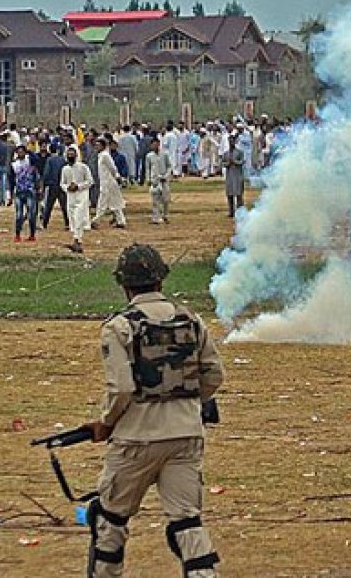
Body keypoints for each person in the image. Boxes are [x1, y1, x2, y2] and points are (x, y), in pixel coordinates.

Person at [82, 244, 224, 578]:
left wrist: (105, 424)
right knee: (187, 523)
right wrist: (186, 403)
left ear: (125, 286)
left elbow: (122, 389)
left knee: (111, 519)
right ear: (160, 281)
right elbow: (214, 376)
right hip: (186, 435)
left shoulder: (118, 328)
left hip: (136, 439)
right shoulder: (191, 320)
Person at [61, 146, 94, 254]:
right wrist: (68, 188)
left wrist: (78, 186)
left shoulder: (83, 167)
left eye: (72, 154)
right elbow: (62, 183)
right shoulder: (65, 169)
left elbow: (90, 181)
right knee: (73, 220)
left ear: (76, 155)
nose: (70, 156)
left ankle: (77, 240)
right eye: (68, 154)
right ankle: (77, 240)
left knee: (79, 217)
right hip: (70, 197)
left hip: (82, 196)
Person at [93, 138, 127, 229]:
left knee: (102, 202)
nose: (97, 147)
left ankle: (96, 220)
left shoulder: (105, 155)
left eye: (99, 145)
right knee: (115, 202)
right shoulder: (101, 155)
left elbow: (113, 168)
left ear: (103, 146)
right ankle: (121, 221)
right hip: (106, 182)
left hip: (109, 182)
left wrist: (117, 177)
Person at [12, 145, 39, 242]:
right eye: (18, 152)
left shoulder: (30, 161)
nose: (20, 153)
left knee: (31, 215)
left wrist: (29, 152)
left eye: (22, 152)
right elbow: (11, 179)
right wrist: (11, 192)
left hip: (30, 191)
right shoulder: (14, 164)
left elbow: (37, 160)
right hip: (19, 192)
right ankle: (17, 234)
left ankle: (32, 234)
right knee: (19, 215)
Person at [40, 144, 69, 230]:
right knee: (64, 205)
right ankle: (67, 223)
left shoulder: (50, 160)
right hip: (61, 185)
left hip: (52, 185)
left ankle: (45, 224)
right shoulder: (63, 160)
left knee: (49, 206)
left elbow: (46, 172)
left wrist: (44, 184)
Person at [224, 124, 249, 217]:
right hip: (229, 176)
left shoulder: (239, 152)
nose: (231, 142)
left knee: (238, 194)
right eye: (230, 141)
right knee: (229, 194)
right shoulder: (226, 153)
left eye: (232, 141)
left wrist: (235, 162)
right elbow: (223, 163)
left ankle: (240, 212)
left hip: (238, 175)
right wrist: (228, 164)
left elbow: (242, 161)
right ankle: (231, 211)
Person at [145, 138, 171, 224]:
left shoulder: (165, 154)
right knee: (155, 200)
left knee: (166, 199)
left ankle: (165, 215)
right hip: (155, 180)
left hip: (164, 180)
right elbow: (147, 168)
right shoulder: (149, 156)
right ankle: (156, 217)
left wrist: (166, 176)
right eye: (153, 144)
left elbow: (169, 166)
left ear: (159, 144)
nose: (155, 146)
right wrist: (148, 179)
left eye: (156, 144)